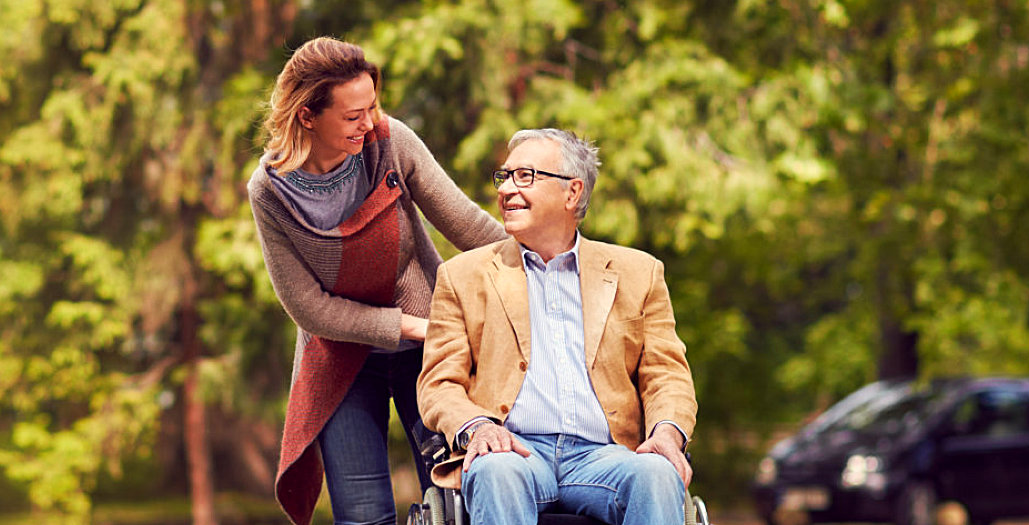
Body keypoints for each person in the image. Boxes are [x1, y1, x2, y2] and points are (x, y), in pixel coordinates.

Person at [250, 36, 507, 525]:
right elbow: (309, 308)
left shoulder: (389, 142)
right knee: (364, 516)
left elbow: (468, 227)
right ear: (307, 116)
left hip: (429, 357)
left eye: (372, 107)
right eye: (352, 116)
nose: (368, 123)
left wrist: (553, 261)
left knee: (455, 498)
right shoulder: (269, 193)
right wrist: (413, 326)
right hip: (341, 358)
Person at [415, 128, 698, 525]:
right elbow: (439, 384)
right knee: (495, 469)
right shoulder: (462, 276)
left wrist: (668, 432)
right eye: (505, 176)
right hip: (513, 450)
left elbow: (667, 375)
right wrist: (477, 426)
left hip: (605, 455)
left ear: (572, 192)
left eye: (526, 176)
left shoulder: (639, 273)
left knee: (657, 473)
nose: (508, 189)